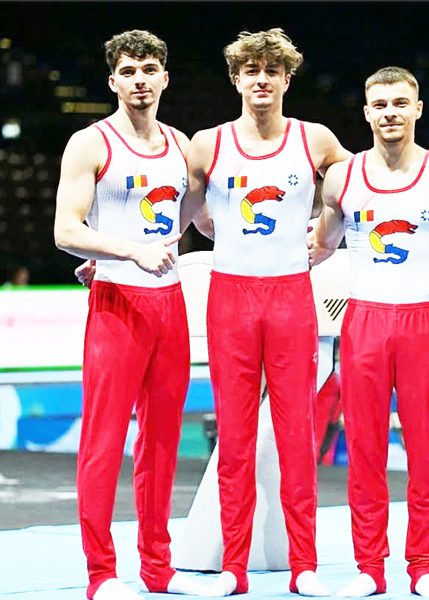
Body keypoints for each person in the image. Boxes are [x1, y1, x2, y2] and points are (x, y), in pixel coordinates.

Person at [184, 28, 351, 597]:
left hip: (290, 298)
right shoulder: (207, 144)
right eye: (251, 70)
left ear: (286, 80)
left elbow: (370, 187)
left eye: (271, 71)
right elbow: (177, 214)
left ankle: (304, 565)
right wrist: (105, 257)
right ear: (236, 79)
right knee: (234, 439)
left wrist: (326, 237)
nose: (261, 80)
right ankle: (234, 568)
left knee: (296, 435)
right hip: (230, 298)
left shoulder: (315, 140)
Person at [54, 30, 212, 600]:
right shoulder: (90, 143)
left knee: (163, 442)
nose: (139, 80)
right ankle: (101, 575)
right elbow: (65, 229)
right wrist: (123, 252)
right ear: (113, 81)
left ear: (165, 78)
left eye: (149, 70)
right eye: (128, 71)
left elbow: (191, 216)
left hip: (169, 304)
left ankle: (158, 569)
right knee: (103, 442)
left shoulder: (181, 145)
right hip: (117, 304)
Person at [308, 66, 429, 599]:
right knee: (364, 450)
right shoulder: (342, 177)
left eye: (400, 103)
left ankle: (423, 567)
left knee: (426, 451)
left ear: (418, 109)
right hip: (364, 324)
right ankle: (369, 568)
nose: (390, 113)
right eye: (379, 104)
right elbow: (318, 246)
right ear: (366, 113)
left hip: (424, 323)